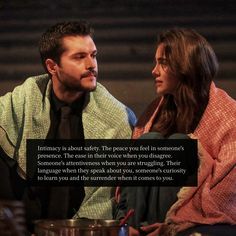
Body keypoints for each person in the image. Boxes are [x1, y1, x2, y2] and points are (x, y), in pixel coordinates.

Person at [0, 21, 136, 232]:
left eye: (94, 55)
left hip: (81, 225)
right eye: (79, 57)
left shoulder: (116, 116)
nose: (91, 64)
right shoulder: (24, 100)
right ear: (52, 66)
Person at [116, 28, 236, 235]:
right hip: (147, 216)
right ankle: (132, 227)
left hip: (192, 217)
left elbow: (224, 190)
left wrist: (177, 222)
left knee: (178, 143)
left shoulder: (229, 116)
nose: (154, 71)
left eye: (163, 63)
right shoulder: (156, 110)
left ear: (185, 66)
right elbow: (131, 172)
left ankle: (164, 228)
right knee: (150, 139)